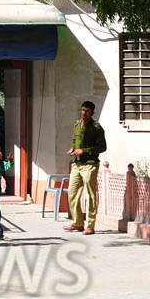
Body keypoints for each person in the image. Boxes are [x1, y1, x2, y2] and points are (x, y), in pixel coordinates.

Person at [65, 100, 107, 235]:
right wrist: (73, 148)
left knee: (90, 196)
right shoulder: (77, 125)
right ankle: (77, 223)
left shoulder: (96, 128)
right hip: (76, 164)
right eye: (83, 110)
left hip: (90, 164)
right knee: (72, 193)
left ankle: (90, 226)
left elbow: (102, 147)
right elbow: (74, 140)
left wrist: (84, 151)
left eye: (87, 111)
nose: (84, 113)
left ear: (92, 113)